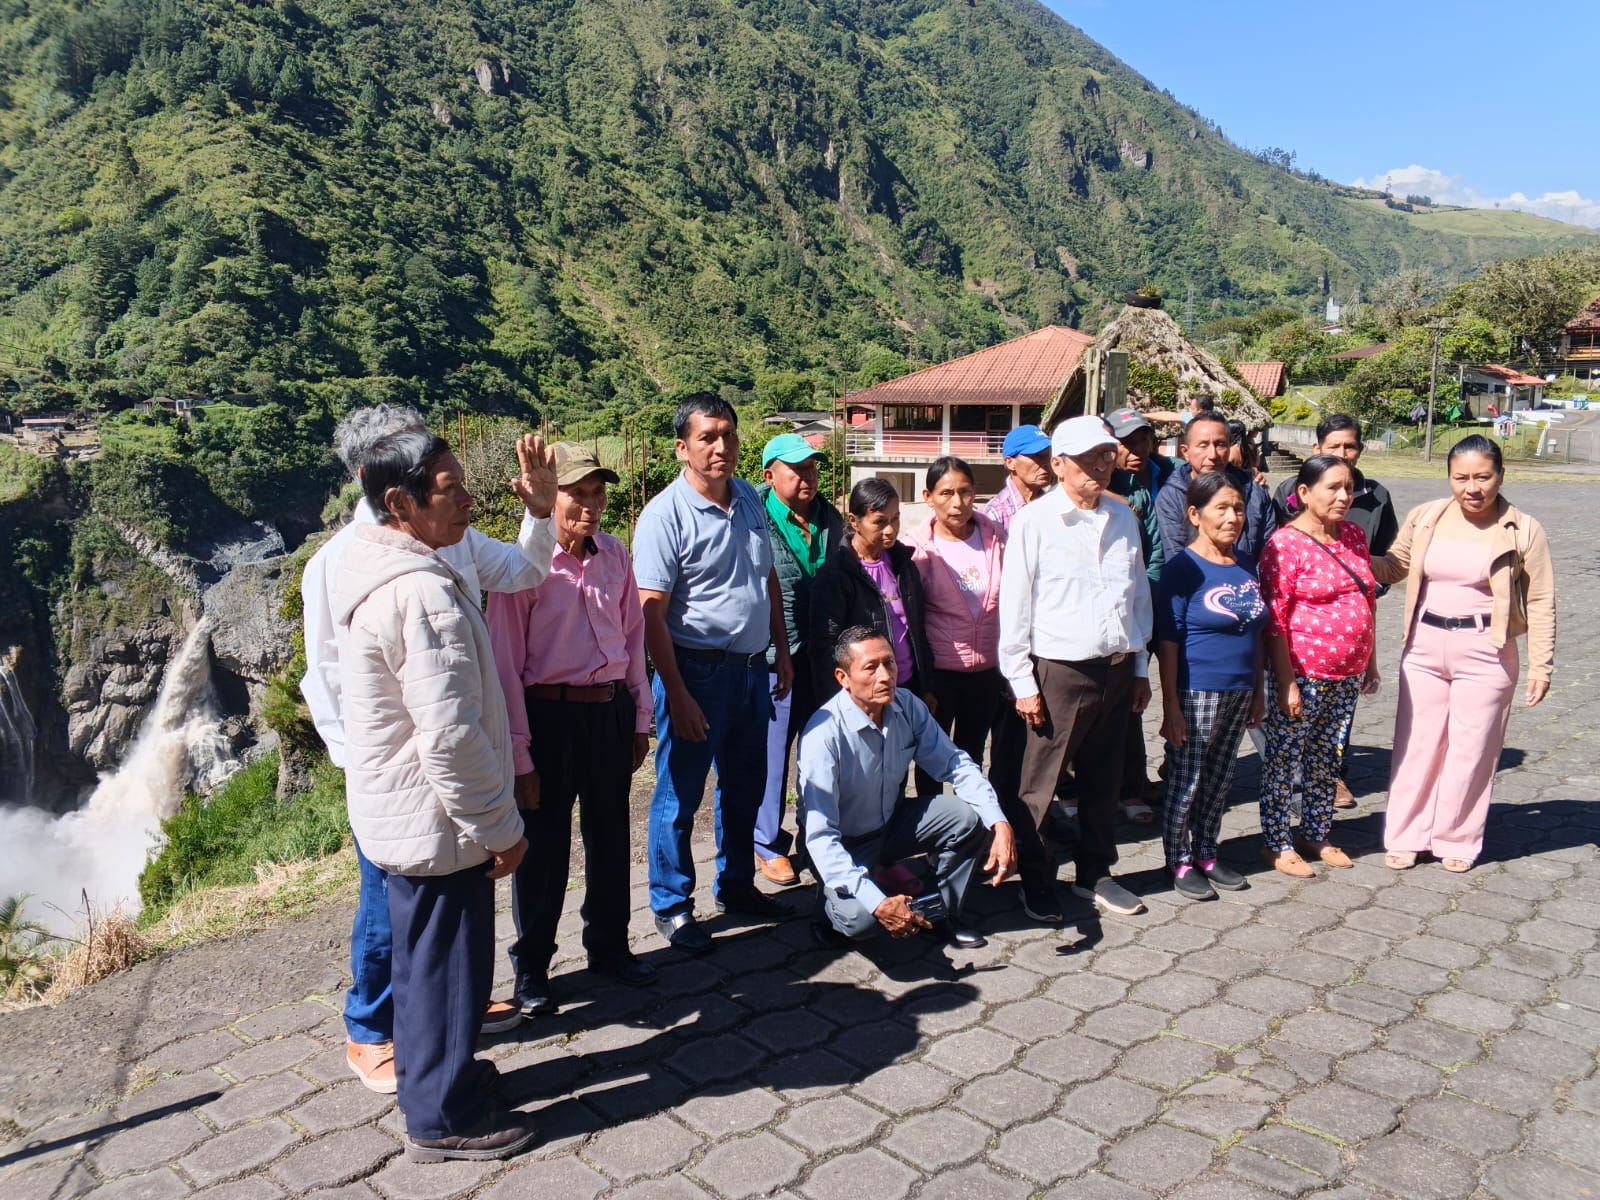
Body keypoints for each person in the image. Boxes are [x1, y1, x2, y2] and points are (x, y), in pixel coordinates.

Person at [300, 405, 557, 1092]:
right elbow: (326, 673)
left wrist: (539, 513)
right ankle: (370, 1030)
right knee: (388, 909)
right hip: (396, 771)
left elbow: (525, 571)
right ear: (376, 474)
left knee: (446, 912)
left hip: (453, 764)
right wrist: (366, 766)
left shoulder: (449, 536)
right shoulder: (337, 563)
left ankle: (448, 1018)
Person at [487, 444, 655, 1019]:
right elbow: (505, 665)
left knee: (610, 835)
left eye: (597, 493)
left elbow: (632, 637)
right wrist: (520, 756)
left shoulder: (615, 556)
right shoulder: (521, 568)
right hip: (548, 717)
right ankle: (532, 965)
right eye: (576, 494)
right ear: (548, 497)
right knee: (543, 848)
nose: (590, 505)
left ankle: (609, 946)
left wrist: (639, 716)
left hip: (607, 711)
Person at [633, 394, 794, 953]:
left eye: (728, 434)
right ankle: (672, 905)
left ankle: (737, 885)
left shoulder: (748, 497)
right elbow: (651, 614)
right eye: (707, 437)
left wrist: (781, 650)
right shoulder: (665, 516)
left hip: (752, 671)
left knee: (745, 787)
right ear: (683, 448)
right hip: (696, 672)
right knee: (679, 795)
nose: (721, 446)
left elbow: (766, 578)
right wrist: (676, 694)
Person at [1371, 436, 1555, 873]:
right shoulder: (1426, 517)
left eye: (1482, 477)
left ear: (1501, 476)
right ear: (1449, 477)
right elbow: (1394, 567)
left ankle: (1456, 837)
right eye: (1461, 477)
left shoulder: (1524, 529)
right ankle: (1407, 835)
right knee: (1416, 746)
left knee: (1471, 750)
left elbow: (1541, 600)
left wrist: (1541, 664)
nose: (1472, 488)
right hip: (1423, 647)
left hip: (1487, 651)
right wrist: (1345, 546)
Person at [999, 416, 1154, 917]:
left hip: (1117, 667)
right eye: (1089, 458)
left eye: (1106, 455)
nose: (1101, 466)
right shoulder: (1035, 522)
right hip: (1059, 673)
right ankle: (1037, 878)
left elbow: (1138, 596)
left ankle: (1095, 873)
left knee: (1104, 779)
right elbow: (1015, 607)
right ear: (1060, 464)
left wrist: (1139, 668)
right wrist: (1022, 682)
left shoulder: (1122, 517)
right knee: (1041, 784)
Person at [799, 626, 1017, 950]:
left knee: (967, 816)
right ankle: (829, 911)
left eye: (889, 663)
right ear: (843, 678)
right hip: (842, 842)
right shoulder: (823, 734)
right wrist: (877, 903)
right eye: (871, 668)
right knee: (862, 919)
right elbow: (820, 837)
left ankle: (938, 912)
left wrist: (999, 822)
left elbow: (955, 763)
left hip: (890, 825)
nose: (885, 676)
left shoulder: (907, 705)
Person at [907, 456, 1053, 918]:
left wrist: (1016, 669)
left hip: (989, 671)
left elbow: (1019, 601)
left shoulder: (996, 537)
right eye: (946, 493)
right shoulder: (918, 548)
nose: (958, 502)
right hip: (940, 673)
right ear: (928, 498)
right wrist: (924, 681)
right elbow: (913, 617)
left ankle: (974, 838)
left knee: (971, 755)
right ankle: (934, 843)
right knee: (931, 763)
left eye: (965, 491)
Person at [1257, 456, 1379, 878]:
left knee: (1328, 757)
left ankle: (1316, 832)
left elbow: (1366, 598)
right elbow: (1275, 620)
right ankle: (1277, 842)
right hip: (1303, 673)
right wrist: (1286, 682)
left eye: (1349, 488)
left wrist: (1371, 661)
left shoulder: (1354, 535)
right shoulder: (1284, 544)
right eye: (1333, 487)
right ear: (1305, 493)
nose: (1344, 496)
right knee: (1284, 759)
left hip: (1346, 674)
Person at [1271, 413, 1398, 808]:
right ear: (1317, 449)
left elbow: (1385, 555)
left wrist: (1365, 591)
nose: (1344, 453)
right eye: (1335, 446)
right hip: (1305, 650)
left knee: (1334, 731)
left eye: (1351, 446)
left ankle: (1329, 785)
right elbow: (1279, 575)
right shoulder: (1288, 495)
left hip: (1351, 642)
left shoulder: (1375, 498)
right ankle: (1290, 798)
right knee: (1292, 730)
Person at [1156, 473, 1267, 900]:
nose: (1232, 517)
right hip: (1197, 689)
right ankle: (1179, 859)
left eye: (1238, 508)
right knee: (1187, 778)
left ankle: (1206, 851)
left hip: (1241, 689)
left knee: (1220, 778)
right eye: (1221, 508)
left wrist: (1258, 691)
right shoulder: (1182, 569)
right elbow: (1169, 640)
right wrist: (1171, 706)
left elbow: (1256, 631)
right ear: (1194, 514)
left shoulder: (1246, 564)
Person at [755, 433, 846, 886]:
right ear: (770, 475)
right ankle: (767, 842)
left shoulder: (831, 517)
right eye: (797, 469)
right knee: (773, 755)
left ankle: (818, 835)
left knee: (821, 752)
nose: (808, 476)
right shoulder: (753, 516)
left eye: (812, 467)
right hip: (776, 656)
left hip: (823, 654)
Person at [810, 477, 935, 711]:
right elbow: (825, 648)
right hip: (865, 697)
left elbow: (918, 629)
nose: (890, 530)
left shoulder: (903, 564)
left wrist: (926, 686)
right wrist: (838, 706)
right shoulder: (837, 575)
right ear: (854, 521)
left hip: (908, 688)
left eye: (895, 518)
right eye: (879, 521)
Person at [1107, 407, 1170, 824]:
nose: (1136, 449)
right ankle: (1105, 786)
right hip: (1118, 609)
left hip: (1158, 601)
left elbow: (1155, 555)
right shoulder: (1106, 485)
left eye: (1142, 439)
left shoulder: (1168, 474)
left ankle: (1144, 779)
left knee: (1143, 694)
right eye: (1126, 442)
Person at [1157, 412, 1276, 568]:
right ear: (1185, 452)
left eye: (1220, 444)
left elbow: (1270, 553)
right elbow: (1176, 557)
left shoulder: (1255, 491)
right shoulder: (1172, 496)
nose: (1212, 455)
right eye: (1203, 445)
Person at [984, 425, 1054, 532]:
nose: (1046, 463)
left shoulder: (1053, 505)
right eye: (1036, 455)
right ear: (1010, 463)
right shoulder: (995, 514)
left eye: (1048, 455)